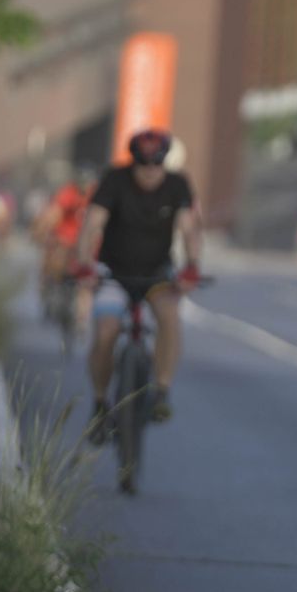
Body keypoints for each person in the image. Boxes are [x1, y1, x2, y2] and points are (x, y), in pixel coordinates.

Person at [75, 128, 202, 434]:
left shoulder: (177, 184)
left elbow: (189, 230)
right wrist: (85, 264)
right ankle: (100, 402)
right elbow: (92, 223)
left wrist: (191, 267)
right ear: (133, 161)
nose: (149, 170)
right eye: (143, 163)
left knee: (169, 318)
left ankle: (161, 390)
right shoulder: (114, 180)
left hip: (157, 273)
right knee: (106, 331)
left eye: (156, 163)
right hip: (113, 272)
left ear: (165, 162)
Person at [37, 165, 98, 320]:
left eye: (88, 183)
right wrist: (45, 231)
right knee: (54, 262)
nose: (84, 186)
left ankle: (82, 315)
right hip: (65, 238)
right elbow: (55, 213)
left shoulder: (96, 194)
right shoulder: (68, 192)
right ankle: (48, 288)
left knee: (88, 275)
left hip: (86, 240)